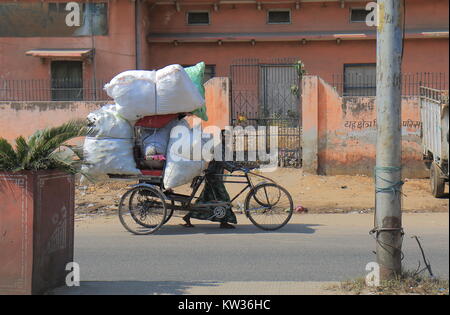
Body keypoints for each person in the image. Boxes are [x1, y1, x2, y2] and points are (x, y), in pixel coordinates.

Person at [181, 160, 237, 229]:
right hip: (214, 181)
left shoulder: (220, 151)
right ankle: (224, 222)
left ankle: (188, 216)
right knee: (224, 200)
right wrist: (235, 168)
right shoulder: (219, 152)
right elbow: (223, 163)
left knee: (204, 201)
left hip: (212, 178)